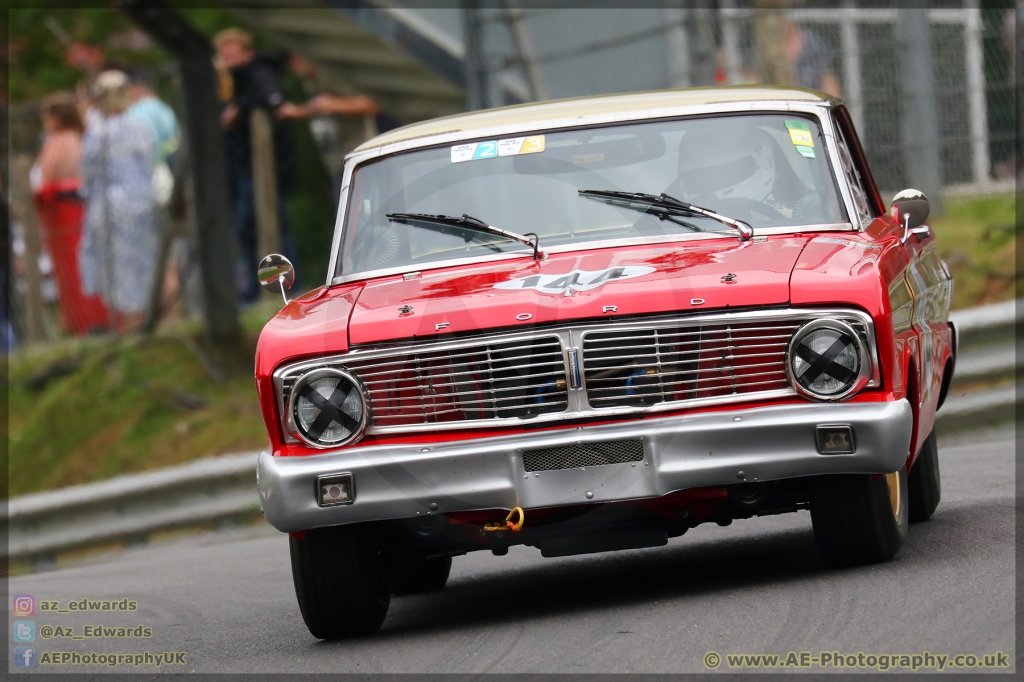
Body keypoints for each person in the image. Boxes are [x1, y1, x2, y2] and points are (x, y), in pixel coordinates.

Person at [213, 27, 301, 305]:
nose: (228, 61)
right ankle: (259, 285)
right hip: (241, 167)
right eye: (223, 56)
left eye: (232, 55)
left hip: (264, 166)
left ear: (247, 53)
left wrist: (240, 109)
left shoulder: (258, 74)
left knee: (270, 226)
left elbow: (270, 100)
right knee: (248, 229)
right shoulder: (228, 84)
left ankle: (283, 288)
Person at [78, 70, 158, 334]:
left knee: (120, 270)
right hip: (143, 204)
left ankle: (132, 329)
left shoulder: (97, 133)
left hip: (110, 209)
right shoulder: (140, 126)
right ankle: (148, 323)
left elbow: (91, 174)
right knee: (145, 262)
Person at [32, 92, 110, 335]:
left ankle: (80, 321)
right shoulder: (81, 137)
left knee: (71, 270)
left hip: (62, 213)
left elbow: (46, 178)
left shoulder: (56, 142)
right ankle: (98, 317)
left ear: (55, 118)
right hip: (82, 208)